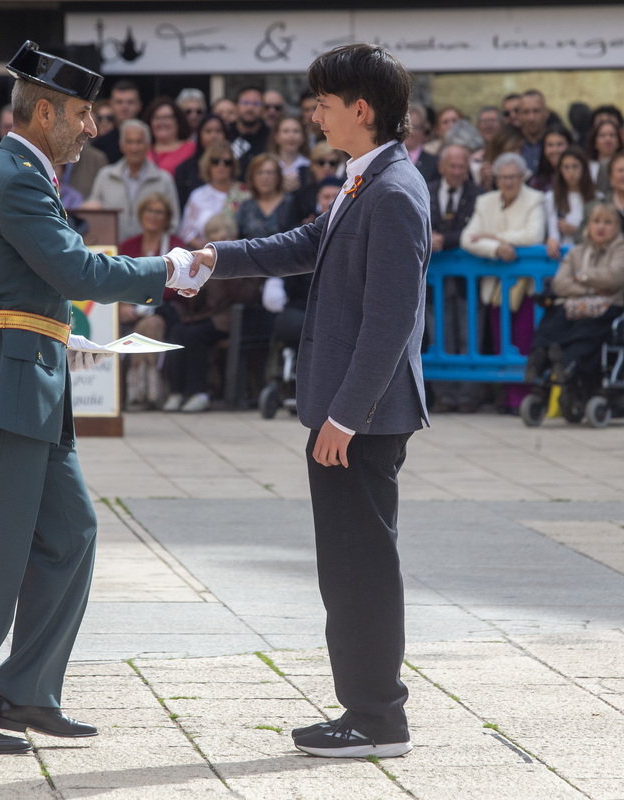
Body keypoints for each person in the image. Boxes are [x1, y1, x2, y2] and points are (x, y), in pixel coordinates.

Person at [0, 40, 204, 756]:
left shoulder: (15, 174)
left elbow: (19, 281)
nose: (92, 128)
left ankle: (26, 691)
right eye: (82, 113)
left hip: (28, 376)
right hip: (15, 380)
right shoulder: (14, 177)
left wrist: (52, 322)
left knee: (70, 534)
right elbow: (74, 268)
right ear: (44, 112)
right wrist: (167, 266)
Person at [187, 42, 427, 759]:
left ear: (362, 109)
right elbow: (302, 243)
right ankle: (367, 709)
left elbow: (390, 322)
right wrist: (213, 259)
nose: (312, 114)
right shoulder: (367, 180)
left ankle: (378, 717)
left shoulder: (391, 192)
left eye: (322, 102)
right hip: (350, 414)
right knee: (347, 565)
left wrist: (346, 416)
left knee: (359, 569)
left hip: (362, 418)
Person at [461, 151, 545, 410]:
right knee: (501, 342)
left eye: (513, 177)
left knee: (523, 342)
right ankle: (508, 399)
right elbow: (467, 238)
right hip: (496, 288)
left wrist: (492, 236)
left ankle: (524, 400)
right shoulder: (485, 201)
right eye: (503, 177)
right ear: (495, 178)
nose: (508, 182)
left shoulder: (535, 199)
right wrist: (496, 249)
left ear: (523, 177)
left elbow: (533, 236)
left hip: (526, 287)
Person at [161, 212, 263, 413]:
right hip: (206, 316)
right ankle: (176, 392)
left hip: (231, 319)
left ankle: (199, 393)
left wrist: (230, 269)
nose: (219, 244)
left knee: (194, 335)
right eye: (214, 238)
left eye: (224, 238)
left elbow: (247, 295)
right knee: (178, 332)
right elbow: (195, 301)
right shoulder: (204, 261)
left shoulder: (244, 258)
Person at [526, 202, 624, 384]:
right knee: (555, 313)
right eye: (596, 221)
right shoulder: (577, 251)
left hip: (612, 305)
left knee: (588, 322)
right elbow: (560, 284)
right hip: (579, 303)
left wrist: (581, 276)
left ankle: (568, 363)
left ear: (617, 227)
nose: (601, 227)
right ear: (588, 225)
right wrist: (591, 289)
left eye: (607, 222)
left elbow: (614, 277)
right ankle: (539, 357)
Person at [428, 142, 482, 413]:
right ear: (441, 167)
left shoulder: (479, 195)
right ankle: (444, 394)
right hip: (432, 280)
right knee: (439, 333)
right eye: (453, 165)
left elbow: (476, 231)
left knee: (469, 333)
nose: (458, 171)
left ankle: (468, 394)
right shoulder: (426, 190)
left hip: (467, 280)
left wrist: (444, 241)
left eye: (463, 166)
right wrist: (429, 239)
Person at [117, 193, 184, 408]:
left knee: (149, 324)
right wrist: (122, 305)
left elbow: (178, 285)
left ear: (167, 217)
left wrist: (141, 302)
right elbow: (115, 280)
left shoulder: (176, 246)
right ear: (140, 214)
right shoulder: (128, 246)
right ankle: (141, 391)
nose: (153, 216)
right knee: (142, 325)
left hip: (167, 310)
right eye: (149, 211)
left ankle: (146, 393)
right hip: (131, 310)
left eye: (159, 212)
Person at [84, 119, 180, 242]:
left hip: (149, 257)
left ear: (148, 145)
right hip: (113, 254)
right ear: (121, 145)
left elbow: (173, 224)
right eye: (129, 142)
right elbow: (93, 213)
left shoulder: (163, 179)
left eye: (139, 142)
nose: (134, 148)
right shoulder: (106, 176)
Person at [178, 141, 249, 248]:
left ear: (233, 165)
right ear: (208, 165)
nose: (221, 166)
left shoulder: (245, 193)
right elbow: (186, 231)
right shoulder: (198, 195)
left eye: (227, 162)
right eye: (215, 161)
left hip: (239, 253)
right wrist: (205, 248)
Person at [545, 146, 597, 260]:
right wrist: (551, 240)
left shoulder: (598, 197)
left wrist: (575, 230)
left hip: (591, 257)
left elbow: (601, 232)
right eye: (566, 167)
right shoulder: (551, 197)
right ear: (560, 170)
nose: (571, 172)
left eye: (575, 166)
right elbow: (553, 232)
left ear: (584, 168)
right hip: (562, 257)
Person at [234, 153, 295, 239]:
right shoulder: (246, 207)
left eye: (269, 172)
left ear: (278, 176)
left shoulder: (292, 203)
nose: (265, 177)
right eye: (259, 173)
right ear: (252, 177)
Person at [173, 113, 228, 208]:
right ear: (199, 135)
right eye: (208, 131)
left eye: (218, 131)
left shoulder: (231, 165)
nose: (213, 136)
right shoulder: (185, 169)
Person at [142, 97, 194, 175]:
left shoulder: (191, 149)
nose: (162, 122)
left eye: (167, 117)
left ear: (178, 121)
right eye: (157, 118)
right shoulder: (142, 149)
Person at [229, 86, 270, 176]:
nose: (250, 108)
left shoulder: (271, 137)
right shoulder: (225, 134)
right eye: (245, 103)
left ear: (263, 109)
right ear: (236, 106)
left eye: (256, 104)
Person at [270, 116, 310, 193]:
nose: (291, 136)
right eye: (285, 131)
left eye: (296, 131)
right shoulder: (268, 164)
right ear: (276, 136)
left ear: (303, 137)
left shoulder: (310, 164)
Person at [518, 90, 551, 174]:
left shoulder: (556, 144)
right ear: (519, 115)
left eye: (536, 111)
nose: (531, 118)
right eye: (526, 112)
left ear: (546, 112)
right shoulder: (511, 144)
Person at [403, 105, 438, 183]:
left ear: (423, 130)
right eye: (406, 126)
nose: (409, 131)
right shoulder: (391, 158)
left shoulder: (434, 164)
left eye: (414, 127)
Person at [529, 127, 570, 193]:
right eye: (550, 145)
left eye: (559, 144)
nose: (555, 150)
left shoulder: (579, 176)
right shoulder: (537, 183)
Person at [586, 119, 621, 192]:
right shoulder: (587, 167)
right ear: (594, 141)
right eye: (602, 135)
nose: (608, 139)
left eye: (612, 135)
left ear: (619, 141)